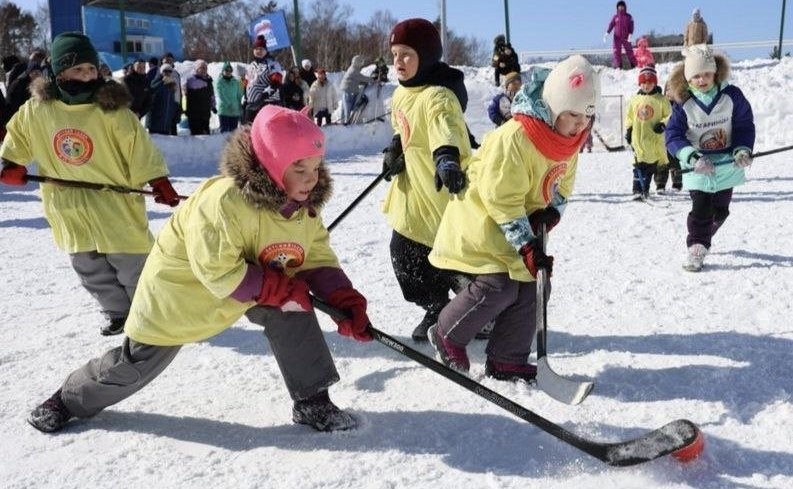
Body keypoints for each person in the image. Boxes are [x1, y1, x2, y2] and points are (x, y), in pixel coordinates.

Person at [26, 105, 373, 434]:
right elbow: (218, 272)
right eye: (299, 168)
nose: (311, 179)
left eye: (316, 167)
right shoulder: (223, 202)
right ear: (270, 163)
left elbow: (314, 253)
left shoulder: (301, 208)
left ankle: (312, 401)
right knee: (135, 364)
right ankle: (69, 399)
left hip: (250, 285)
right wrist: (281, 288)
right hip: (182, 293)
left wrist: (341, 297)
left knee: (292, 306)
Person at [427, 55, 600, 380]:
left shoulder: (569, 143)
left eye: (587, 117)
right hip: (483, 220)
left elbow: (563, 187)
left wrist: (549, 216)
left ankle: (507, 357)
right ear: (553, 107)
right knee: (500, 285)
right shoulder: (516, 137)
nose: (580, 125)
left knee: (536, 285)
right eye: (573, 114)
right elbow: (501, 199)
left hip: (519, 224)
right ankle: (447, 333)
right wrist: (528, 247)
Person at [0, 32, 180, 336]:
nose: (87, 76)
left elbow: (139, 147)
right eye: (78, 69)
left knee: (132, 263)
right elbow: (18, 136)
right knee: (89, 268)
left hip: (113, 204)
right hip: (67, 206)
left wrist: (158, 179)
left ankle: (149, 312)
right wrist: (12, 164)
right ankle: (118, 313)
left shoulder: (112, 111)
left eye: (91, 69)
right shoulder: (37, 110)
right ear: (58, 73)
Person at [381, 18, 471, 341]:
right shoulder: (403, 93)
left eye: (406, 54)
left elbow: (444, 126)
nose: (398, 62)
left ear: (427, 56)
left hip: (441, 190)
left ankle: (477, 307)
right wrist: (395, 148)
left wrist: (446, 156)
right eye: (394, 54)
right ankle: (435, 307)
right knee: (405, 258)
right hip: (413, 197)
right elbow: (402, 127)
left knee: (455, 257)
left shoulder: (438, 96)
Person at [665, 44, 755, 272]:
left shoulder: (732, 96)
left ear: (715, 73)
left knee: (720, 211)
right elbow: (673, 135)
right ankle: (697, 245)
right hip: (698, 167)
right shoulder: (683, 104)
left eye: (706, 74)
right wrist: (692, 157)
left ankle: (706, 230)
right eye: (696, 76)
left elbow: (744, 125)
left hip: (726, 165)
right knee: (701, 207)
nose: (702, 79)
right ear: (688, 78)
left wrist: (742, 149)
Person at [625, 66, 671, 198]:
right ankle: (637, 190)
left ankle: (649, 187)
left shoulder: (661, 99)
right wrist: (629, 129)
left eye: (650, 83)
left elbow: (669, 115)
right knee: (638, 166)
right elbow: (629, 116)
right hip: (638, 140)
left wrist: (663, 124)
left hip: (654, 141)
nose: (646, 85)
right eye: (644, 83)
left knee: (651, 166)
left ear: (655, 83)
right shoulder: (635, 100)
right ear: (640, 83)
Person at [243, 35, 284, 123]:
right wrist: (245, 98)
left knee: (267, 129)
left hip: (269, 102)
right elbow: (246, 83)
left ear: (266, 51)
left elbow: (276, 82)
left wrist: (263, 96)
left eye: (261, 49)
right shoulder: (250, 66)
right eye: (256, 49)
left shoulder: (272, 64)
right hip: (252, 104)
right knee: (248, 130)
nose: (258, 51)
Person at [147, 63, 181, 135]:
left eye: (170, 71)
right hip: (155, 121)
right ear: (161, 72)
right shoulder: (155, 81)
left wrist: (176, 112)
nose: (167, 73)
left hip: (166, 122)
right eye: (165, 71)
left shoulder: (172, 84)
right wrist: (162, 81)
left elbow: (173, 101)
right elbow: (152, 91)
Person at [183, 59, 215, 135]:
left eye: (205, 68)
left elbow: (212, 95)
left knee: (206, 133)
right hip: (194, 113)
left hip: (205, 111)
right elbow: (186, 93)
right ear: (197, 69)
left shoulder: (208, 80)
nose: (204, 70)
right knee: (196, 134)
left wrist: (213, 105)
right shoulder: (191, 79)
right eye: (202, 68)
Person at [603, 1, 636, 69]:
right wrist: (607, 33)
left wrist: (630, 34)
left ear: (624, 7)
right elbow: (611, 25)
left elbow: (631, 26)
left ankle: (633, 65)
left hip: (626, 37)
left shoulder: (628, 16)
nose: (620, 7)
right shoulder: (615, 17)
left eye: (622, 6)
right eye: (619, 6)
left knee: (629, 51)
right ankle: (618, 66)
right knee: (616, 52)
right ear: (617, 7)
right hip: (617, 38)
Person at [339, 55, 370, 124]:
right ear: (357, 62)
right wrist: (373, 80)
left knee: (345, 106)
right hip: (348, 90)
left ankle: (343, 120)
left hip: (347, 89)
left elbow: (356, 79)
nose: (361, 64)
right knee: (347, 106)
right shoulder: (354, 70)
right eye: (360, 62)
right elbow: (362, 78)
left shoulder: (352, 68)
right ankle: (346, 121)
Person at [215, 61, 244, 133]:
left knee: (234, 133)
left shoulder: (236, 82)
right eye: (226, 70)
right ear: (223, 71)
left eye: (230, 70)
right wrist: (229, 105)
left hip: (235, 111)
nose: (228, 72)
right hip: (224, 110)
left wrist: (239, 107)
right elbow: (221, 95)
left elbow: (239, 95)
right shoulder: (219, 82)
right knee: (224, 132)